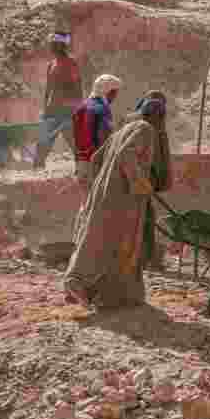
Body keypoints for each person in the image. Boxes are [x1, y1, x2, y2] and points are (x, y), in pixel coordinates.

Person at [63, 92, 173, 308]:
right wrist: (139, 183)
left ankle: (115, 294)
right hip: (122, 199)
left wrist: (101, 184)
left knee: (108, 242)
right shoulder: (145, 129)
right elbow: (127, 155)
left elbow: (96, 159)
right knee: (110, 244)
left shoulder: (122, 130)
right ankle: (79, 283)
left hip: (106, 194)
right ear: (158, 116)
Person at [33, 32, 82, 170]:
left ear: (60, 45)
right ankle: (38, 168)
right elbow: (48, 89)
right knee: (43, 140)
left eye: (53, 44)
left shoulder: (71, 63)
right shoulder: (52, 64)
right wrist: (45, 108)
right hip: (52, 109)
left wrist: (78, 108)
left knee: (74, 142)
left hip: (67, 110)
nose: (50, 47)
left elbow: (77, 86)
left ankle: (82, 169)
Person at [72, 74, 122, 185]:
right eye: (114, 94)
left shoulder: (80, 107)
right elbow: (104, 136)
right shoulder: (102, 109)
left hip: (81, 162)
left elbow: (74, 138)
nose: (114, 98)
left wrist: (77, 162)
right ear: (108, 92)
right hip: (96, 162)